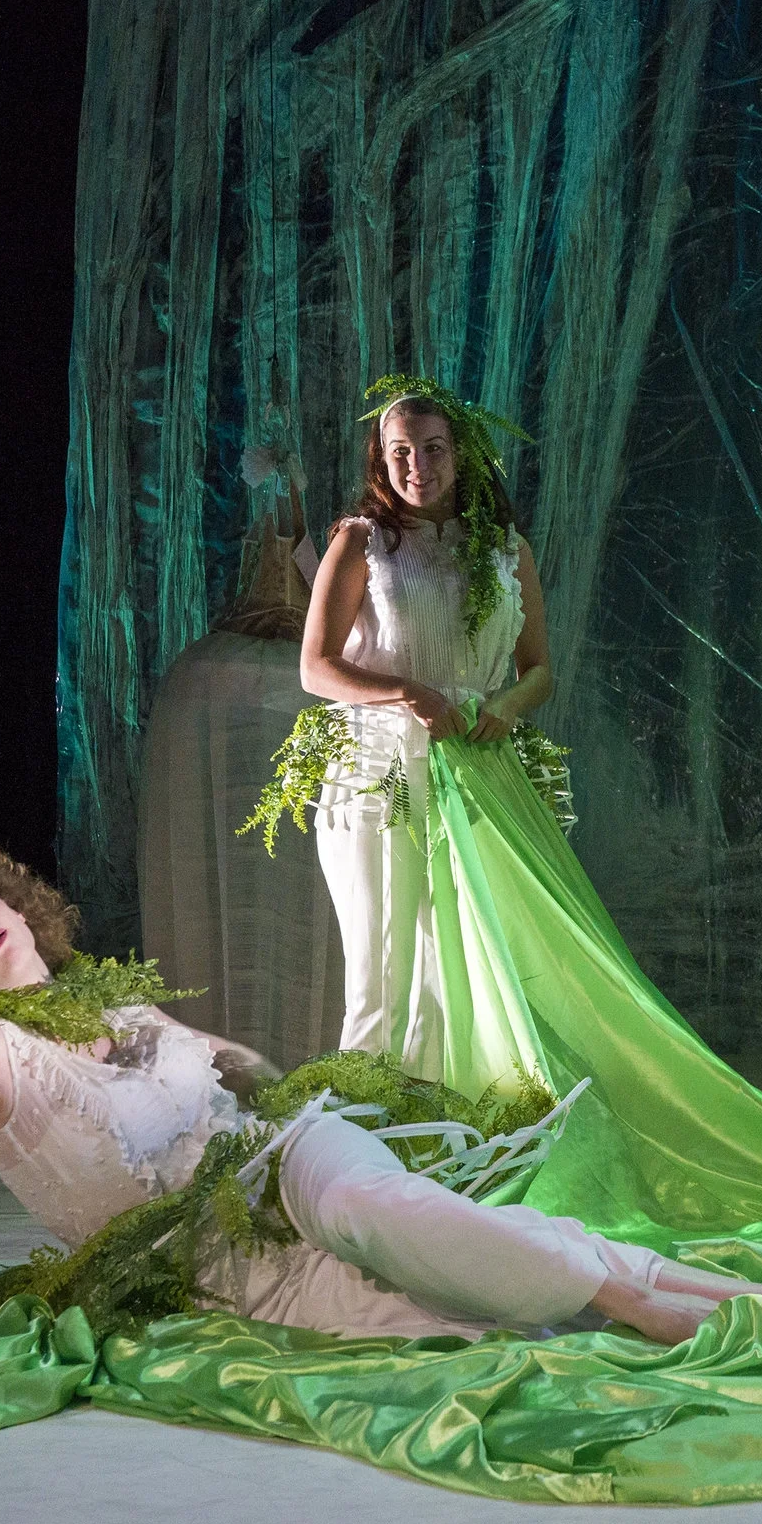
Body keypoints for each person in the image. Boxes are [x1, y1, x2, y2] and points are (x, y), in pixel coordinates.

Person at [0, 836, 762, 1429]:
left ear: (8, 897)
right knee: (458, 1310)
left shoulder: (114, 1001)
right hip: (220, 1261)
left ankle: (681, 1305)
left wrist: (270, 1073)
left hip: (291, 1159)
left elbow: (228, 1067)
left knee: (383, 1208)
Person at [296, 377, 555, 1093]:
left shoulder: (505, 549)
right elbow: (316, 667)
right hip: (379, 775)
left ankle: (455, 1125)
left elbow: (539, 669)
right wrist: (406, 691)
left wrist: (507, 704)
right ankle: (359, 1128)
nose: (417, 466)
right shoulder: (362, 542)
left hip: (477, 773)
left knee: (469, 968)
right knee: (383, 971)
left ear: (461, 452)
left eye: (433, 448)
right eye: (400, 451)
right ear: (381, 457)